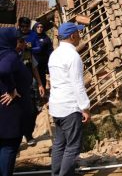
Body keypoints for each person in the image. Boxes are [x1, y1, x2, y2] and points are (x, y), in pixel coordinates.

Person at [48, 22, 91, 176]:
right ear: (72, 36)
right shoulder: (73, 56)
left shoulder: (54, 54)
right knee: (72, 146)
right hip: (69, 107)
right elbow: (78, 85)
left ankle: (57, 173)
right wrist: (85, 107)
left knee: (59, 144)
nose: (80, 36)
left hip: (57, 106)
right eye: (78, 33)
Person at [0, 27, 32, 176]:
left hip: (4, 113)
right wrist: (12, 89)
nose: (23, 44)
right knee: (9, 147)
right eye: (19, 41)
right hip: (10, 114)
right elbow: (4, 70)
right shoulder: (10, 56)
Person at [16, 17, 46, 146]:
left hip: (29, 83)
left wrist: (39, 83)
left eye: (26, 27)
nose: (24, 29)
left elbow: (33, 67)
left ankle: (28, 135)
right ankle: (16, 139)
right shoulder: (10, 52)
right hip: (15, 85)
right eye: (22, 27)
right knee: (17, 111)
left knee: (32, 110)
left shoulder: (29, 50)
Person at [32, 22, 53, 90]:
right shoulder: (31, 37)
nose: (39, 28)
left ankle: (42, 96)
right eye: (38, 27)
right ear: (35, 28)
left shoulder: (46, 38)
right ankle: (35, 97)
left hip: (43, 63)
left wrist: (51, 59)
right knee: (34, 81)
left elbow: (50, 50)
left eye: (41, 27)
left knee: (42, 78)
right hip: (33, 62)